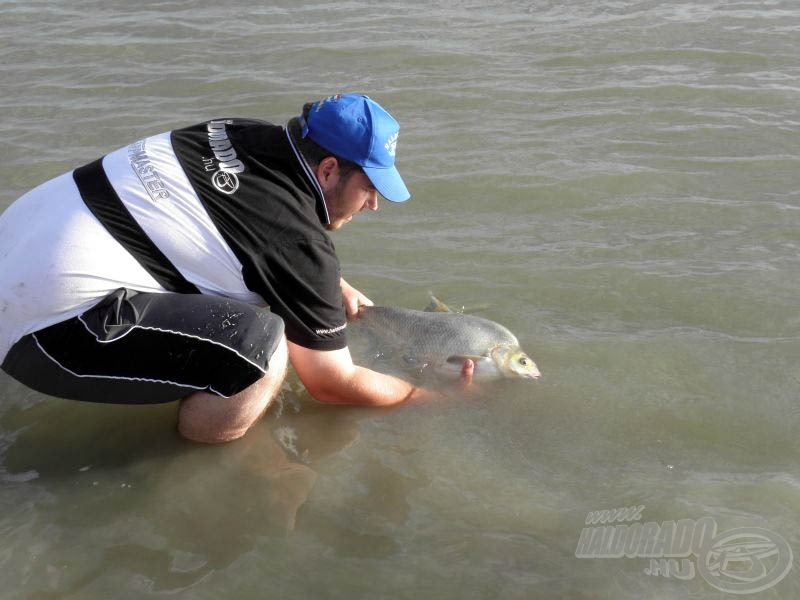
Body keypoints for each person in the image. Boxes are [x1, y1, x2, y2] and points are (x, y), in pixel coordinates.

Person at [0, 93, 473, 444]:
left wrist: (327, 285)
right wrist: (424, 399)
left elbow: (242, 226)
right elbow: (332, 384)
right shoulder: (295, 241)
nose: (372, 205)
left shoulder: (236, 132)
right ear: (328, 170)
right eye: (370, 188)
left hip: (16, 254)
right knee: (262, 350)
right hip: (41, 334)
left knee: (244, 298)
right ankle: (199, 469)